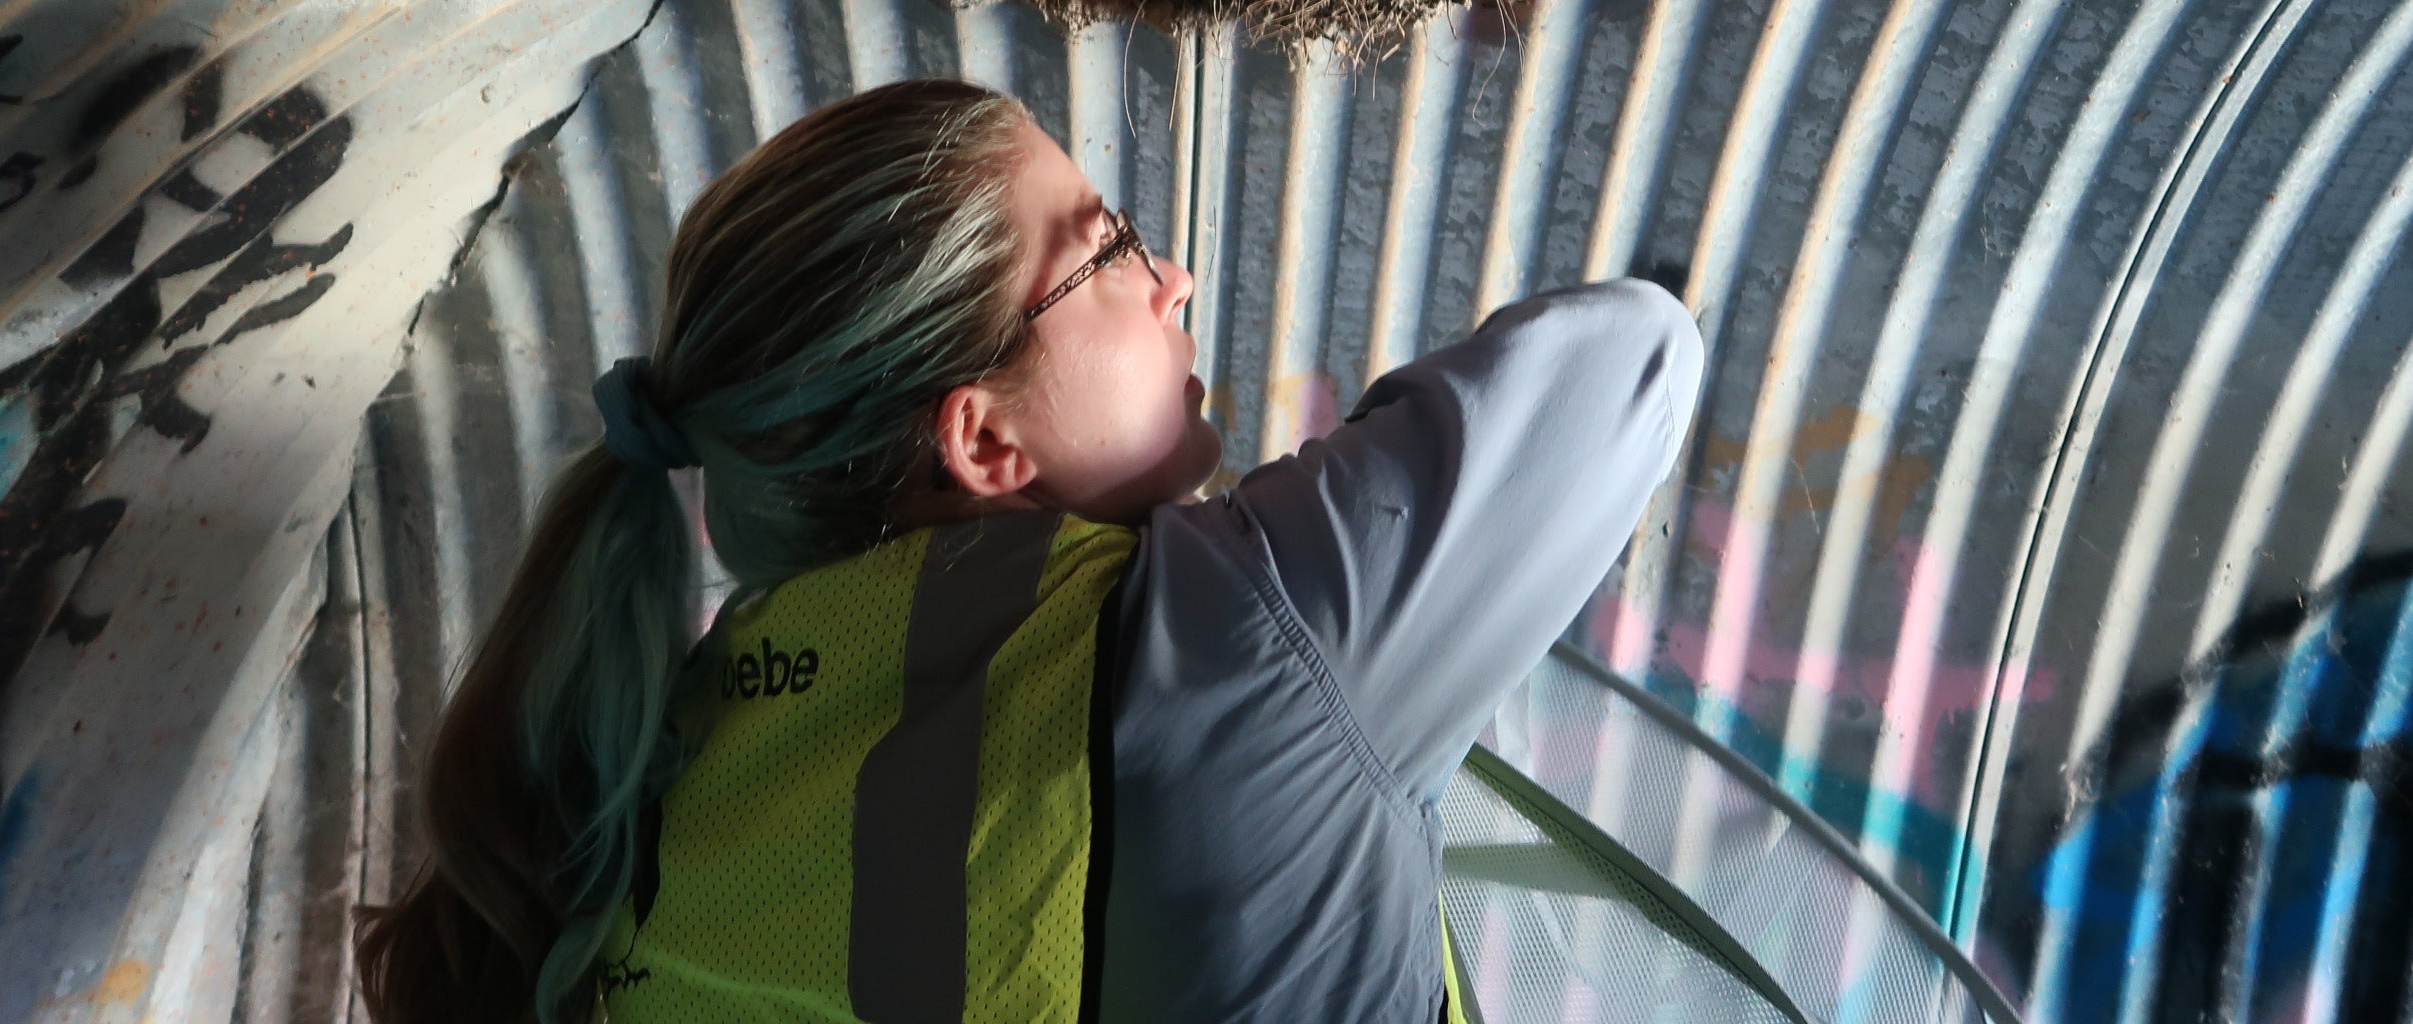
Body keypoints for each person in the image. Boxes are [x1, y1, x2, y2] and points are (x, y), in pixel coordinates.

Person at [354, 77, 1701, 1024]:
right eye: (1105, 248)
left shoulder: (680, 780)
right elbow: (1636, 358)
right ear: (985, 442)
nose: (1171, 278)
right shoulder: (1235, 643)